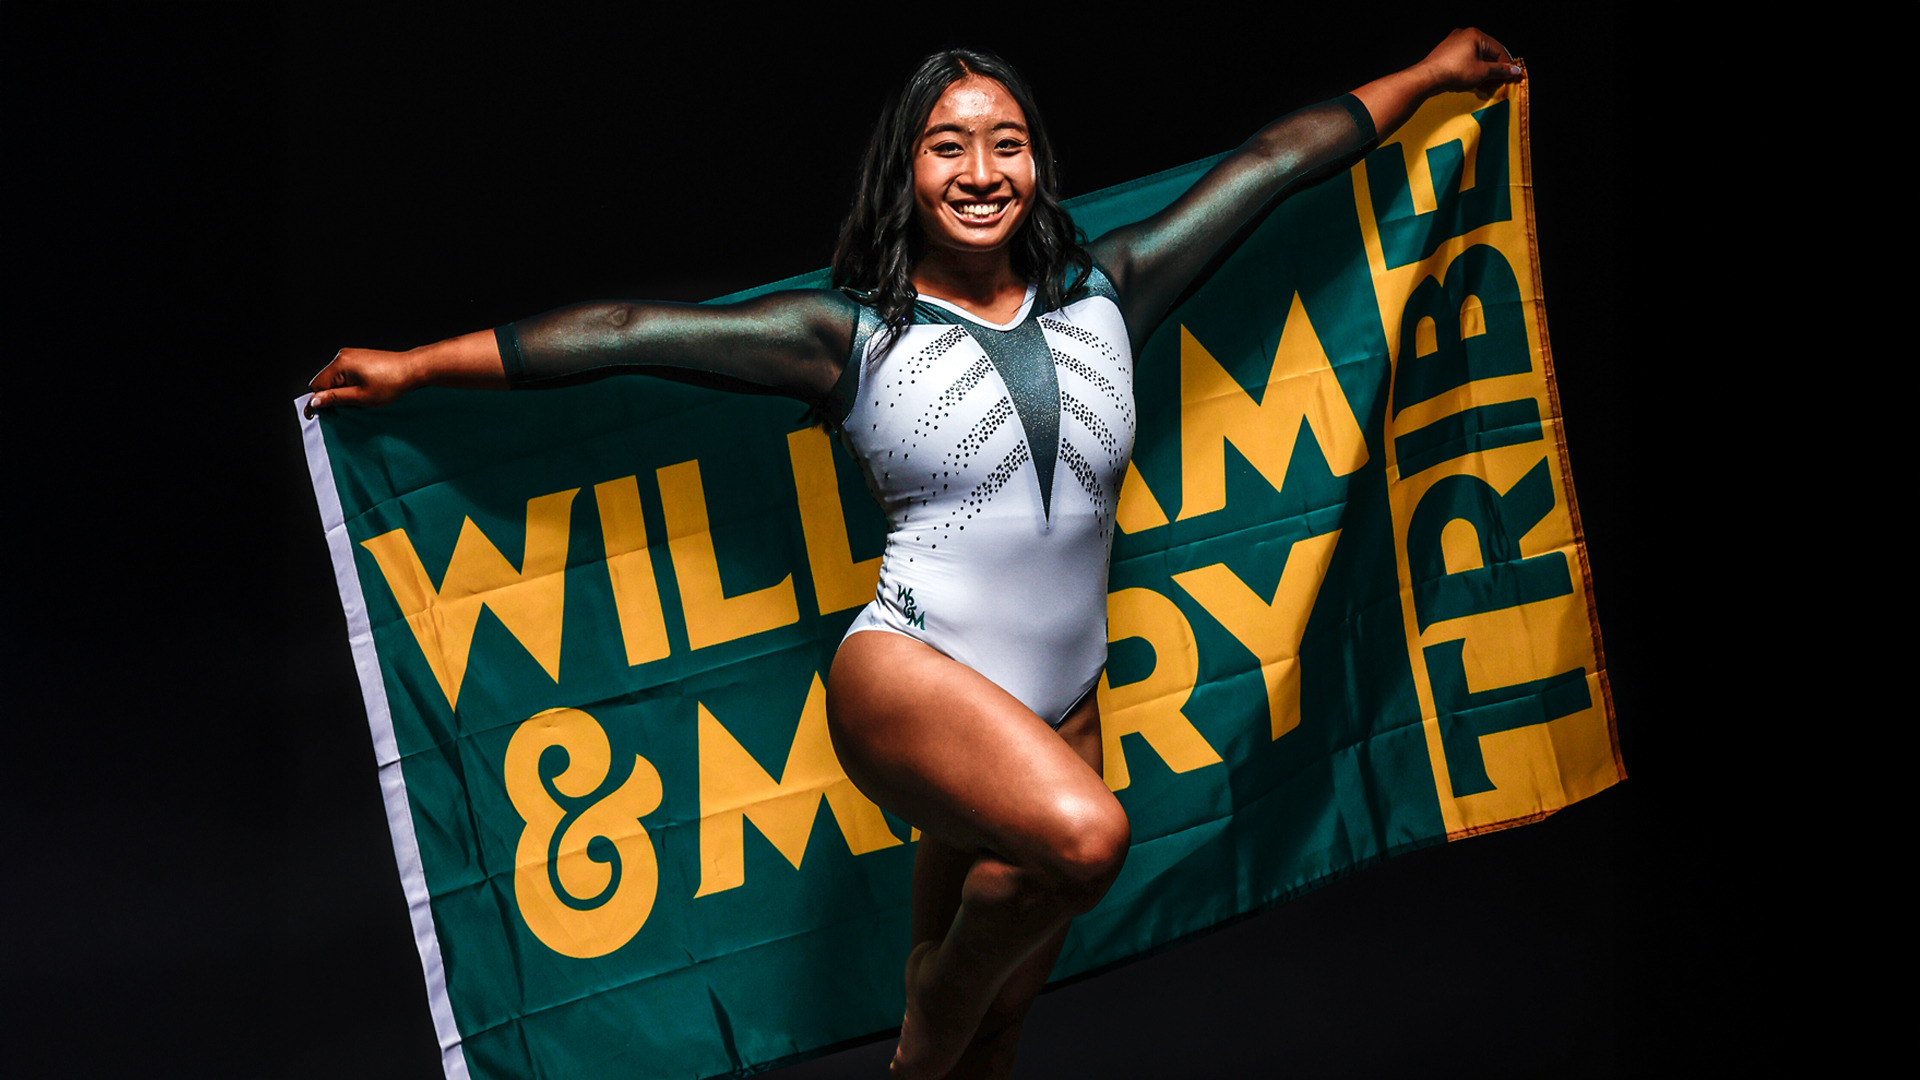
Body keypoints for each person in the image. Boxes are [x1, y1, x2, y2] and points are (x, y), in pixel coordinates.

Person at [308, 28, 1520, 1080]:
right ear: (906, 170)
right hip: (912, 677)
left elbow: (1270, 164)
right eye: (949, 146)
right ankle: (927, 1006)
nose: (981, 172)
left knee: (1000, 1039)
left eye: (1006, 144)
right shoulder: (845, 338)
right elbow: (631, 331)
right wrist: (417, 366)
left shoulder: (1113, 288)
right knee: (1078, 853)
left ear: (1037, 164)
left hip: (1067, 707)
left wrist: (1426, 73)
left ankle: (945, 1032)